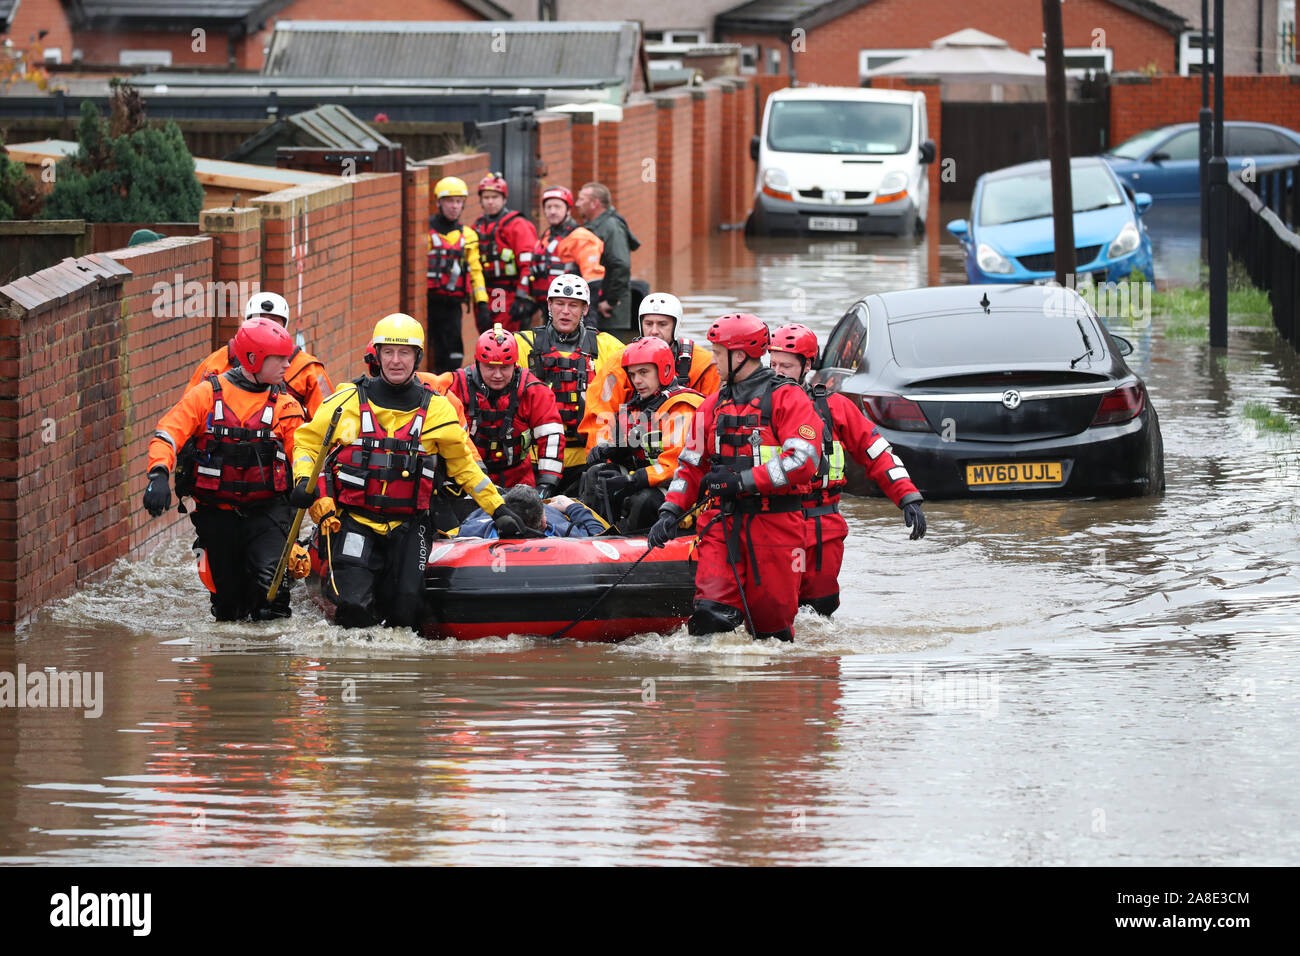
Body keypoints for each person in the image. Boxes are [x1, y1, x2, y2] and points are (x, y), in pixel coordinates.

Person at [289, 313, 523, 630]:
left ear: (417, 357)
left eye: (404, 353)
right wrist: (303, 481)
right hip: (356, 521)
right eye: (388, 352)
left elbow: (465, 467)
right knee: (353, 607)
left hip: (410, 525)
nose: (396, 361)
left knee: (406, 610)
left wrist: (499, 510)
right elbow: (306, 443)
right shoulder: (346, 402)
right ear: (377, 355)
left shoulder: (438, 410)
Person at [647, 313, 823, 643]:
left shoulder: (788, 398)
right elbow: (689, 465)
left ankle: (765, 691)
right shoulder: (711, 405)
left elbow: (803, 460)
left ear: (739, 356)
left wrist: (742, 481)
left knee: (771, 632)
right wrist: (669, 511)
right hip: (722, 521)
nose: (712, 361)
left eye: (717, 353)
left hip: (775, 524)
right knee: (710, 616)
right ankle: (713, 690)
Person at [143, 317, 307, 621]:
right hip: (217, 512)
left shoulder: (285, 406)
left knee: (272, 598)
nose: (287, 365)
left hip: (267, 513)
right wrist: (158, 474)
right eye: (280, 358)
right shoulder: (206, 395)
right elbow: (169, 432)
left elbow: (303, 452)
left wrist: (306, 483)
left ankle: (274, 659)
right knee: (227, 607)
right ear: (254, 358)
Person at [768, 324, 927, 617]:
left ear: (807, 366)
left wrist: (907, 497)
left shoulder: (833, 407)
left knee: (821, 607)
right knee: (777, 610)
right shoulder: (752, 409)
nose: (777, 372)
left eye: (786, 366)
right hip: (771, 522)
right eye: (773, 364)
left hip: (822, 524)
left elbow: (876, 451)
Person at [514, 274, 623, 494]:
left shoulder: (607, 347)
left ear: (585, 309)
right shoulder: (521, 344)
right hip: (536, 458)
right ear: (549, 305)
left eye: (573, 305)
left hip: (587, 459)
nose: (565, 311)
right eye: (560, 304)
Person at [584, 336, 704, 532]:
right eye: (632, 374)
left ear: (665, 370)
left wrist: (632, 480)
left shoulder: (682, 407)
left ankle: (629, 547)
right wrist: (611, 451)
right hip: (651, 479)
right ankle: (594, 534)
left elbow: (675, 467)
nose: (637, 381)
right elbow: (633, 446)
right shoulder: (638, 405)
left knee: (644, 500)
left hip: (682, 487)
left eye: (644, 372)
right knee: (597, 474)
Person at [580, 291, 718, 451]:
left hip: (683, 453)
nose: (654, 331)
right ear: (640, 325)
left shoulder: (703, 364)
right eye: (648, 323)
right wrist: (603, 456)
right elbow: (599, 415)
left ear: (676, 325)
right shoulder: (619, 362)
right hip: (630, 453)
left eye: (662, 324)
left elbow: (712, 418)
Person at [449, 324, 566, 495]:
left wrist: (546, 483)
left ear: (515, 365)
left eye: (504, 367)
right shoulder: (457, 386)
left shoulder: (533, 390)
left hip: (519, 481)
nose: (497, 375)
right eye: (490, 367)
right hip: (468, 481)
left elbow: (551, 436)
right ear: (477, 363)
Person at [187, 291, 334, 417]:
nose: (266, 328)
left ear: (284, 327)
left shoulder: (307, 369)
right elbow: (189, 409)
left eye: (274, 322)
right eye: (260, 321)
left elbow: (329, 420)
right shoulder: (219, 361)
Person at [427, 176, 491, 373]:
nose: (454, 206)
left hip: (453, 305)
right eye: (449, 201)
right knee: (429, 352)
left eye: (458, 202)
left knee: (454, 355)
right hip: (428, 303)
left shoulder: (468, 235)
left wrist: (482, 302)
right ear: (439, 202)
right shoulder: (426, 232)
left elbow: (476, 271)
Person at [515, 186, 604, 325]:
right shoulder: (546, 237)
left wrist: (587, 315)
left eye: (557, 206)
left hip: (573, 309)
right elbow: (536, 272)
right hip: (549, 307)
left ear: (568, 209)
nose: (552, 211)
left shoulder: (581, 237)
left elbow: (593, 281)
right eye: (548, 207)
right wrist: (526, 300)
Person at [471, 173, 539, 333]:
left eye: (495, 196)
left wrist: (522, 298)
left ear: (504, 198)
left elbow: (528, 264)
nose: (490, 201)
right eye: (486, 197)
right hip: (486, 293)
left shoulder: (517, 225)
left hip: (509, 291)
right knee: (487, 339)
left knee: (506, 339)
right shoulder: (478, 226)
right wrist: (480, 303)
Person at [575, 182, 638, 328]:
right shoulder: (594, 227)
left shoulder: (611, 227)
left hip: (610, 313)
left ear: (594, 203)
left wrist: (610, 302)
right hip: (597, 306)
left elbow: (621, 265)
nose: (577, 204)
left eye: (581, 199)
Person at [458, 485, 606, 539]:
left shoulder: (470, 532)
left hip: (495, 508)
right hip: (551, 509)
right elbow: (601, 535)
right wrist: (572, 507)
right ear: (543, 521)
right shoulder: (566, 533)